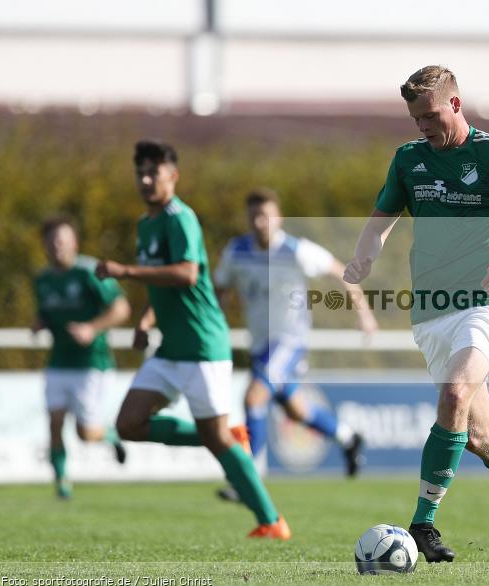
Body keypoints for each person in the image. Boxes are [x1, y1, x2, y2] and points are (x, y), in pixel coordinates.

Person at [344, 66, 489, 562]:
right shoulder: (409, 160)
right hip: (432, 313)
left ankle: (422, 524)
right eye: (415, 118)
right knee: (479, 437)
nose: (422, 125)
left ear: (455, 104)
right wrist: (365, 256)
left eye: (430, 115)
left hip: (488, 305)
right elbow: (380, 222)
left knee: (454, 391)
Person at [95, 140, 289, 540]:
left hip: (203, 347)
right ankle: (228, 437)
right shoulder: (146, 224)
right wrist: (146, 319)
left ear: (173, 176)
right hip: (171, 348)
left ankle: (272, 521)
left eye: (153, 173)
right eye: (140, 173)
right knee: (129, 423)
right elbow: (162, 285)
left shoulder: (180, 218)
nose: (145, 180)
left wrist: (125, 272)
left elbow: (187, 273)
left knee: (215, 437)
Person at [213, 188, 376, 501]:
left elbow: (341, 272)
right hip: (261, 343)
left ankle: (247, 480)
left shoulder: (295, 250)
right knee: (295, 409)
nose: (260, 223)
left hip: (290, 340)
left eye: (266, 216)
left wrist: (365, 314)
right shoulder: (237, 251)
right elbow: (220, 287)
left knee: (254, 396)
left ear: (279, 218)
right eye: (254, 216)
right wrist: (215, 319)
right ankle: (348, 437)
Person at [33, 216, 131, 499]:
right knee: (54, 422)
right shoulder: (43, 279)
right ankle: (62, 481)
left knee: (86, 434)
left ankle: (110, 435)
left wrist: (92, 328)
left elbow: (121, 309)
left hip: (92, 363)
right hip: (58, 362)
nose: (57, 246)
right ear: (45, 245)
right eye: (52, 241)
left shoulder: (89, 272)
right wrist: (40, 323)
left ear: (74, 243)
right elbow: (48, 313)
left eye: (62, 240)